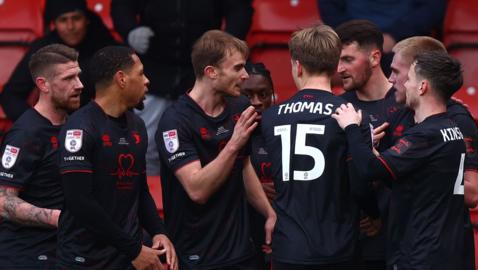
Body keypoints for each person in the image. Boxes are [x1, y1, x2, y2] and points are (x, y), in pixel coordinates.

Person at [333, 51, 466, 269]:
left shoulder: (425, 135)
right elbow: (412, 180)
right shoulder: (452, 129)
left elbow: (370, 169)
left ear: (422, 87)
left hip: (420, 253)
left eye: (409, 79)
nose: (403, 84)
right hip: (443, 248)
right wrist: (376, 155)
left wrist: (351, 127)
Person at [261, 24, 378, 270]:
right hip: (339, 247)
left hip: (289, 247)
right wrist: (374, 214)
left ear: (298, 65)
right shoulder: (352, 115)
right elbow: (361, 182)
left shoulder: (271, 117)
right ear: (336, 65)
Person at [156, 30, 276, 269]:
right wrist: (234, 143)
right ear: (211, 72)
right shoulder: (175, 121)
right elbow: (198, 190)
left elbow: (243, 166)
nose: (244, 75)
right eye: (237, 68)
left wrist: (269, 212)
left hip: (241, 250)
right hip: (196, 252)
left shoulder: (239, 106)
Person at [57, 46, 177, 270]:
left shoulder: (137, 126)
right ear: (121, 79)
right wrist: (134, 249)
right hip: (85, 261)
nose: (147, 81)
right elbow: (80, 202)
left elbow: (139, 190)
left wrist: (159, 231)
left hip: (125, 258)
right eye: (141, 73)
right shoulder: (80, 128)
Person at [111, 0, 254, 175]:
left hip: (202, 75)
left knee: (208, 146)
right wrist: (129, 30)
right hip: (154, 75)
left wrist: (227, 46)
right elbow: (122, 5)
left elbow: (239, 9)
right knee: (146, 150)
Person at [387, 35, 478, 270]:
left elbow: (471, 193)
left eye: (399, 73)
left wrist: (416, 170)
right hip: (405, 244)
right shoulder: (403, 113)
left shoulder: (458, 120)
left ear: (421, 76)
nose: (392, 80)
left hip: (439, 251)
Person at [0, 44, 82, 269]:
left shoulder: (77, 126)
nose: (79, 85)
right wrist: (58, 218)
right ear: (43, 85)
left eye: (78, 76)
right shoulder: (25, 134)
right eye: (68, 79)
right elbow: (3, 201)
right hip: (27, 254)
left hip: (66, 249)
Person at [335, 19, 401, 270]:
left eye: (348, 60)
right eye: (338, 60)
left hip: (398, 239)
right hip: (349, 243)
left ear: (375, 58)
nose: (339, 68)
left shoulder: (408, 104)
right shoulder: (338, 108)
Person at [0, 0, 118, 122]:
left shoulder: (105, 47)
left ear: (86, 20)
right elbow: (10, 96)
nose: (70, 26)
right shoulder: (43, 50)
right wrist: (38, 123)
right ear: (54, 24)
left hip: (98, 127)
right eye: (63, 20)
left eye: (76, 18)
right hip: (54, 129)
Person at [317, 0, 447, 73]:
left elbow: (432, 8)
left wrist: (395, 35)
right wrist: (356, 37)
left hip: (405, 42)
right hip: (352, 40)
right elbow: (329, 8)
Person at [241, 62, 276, 269]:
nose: (256, 102)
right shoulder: (226, 135)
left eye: (263, 94)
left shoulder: (284, 132)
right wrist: (252, 188)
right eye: (248, 96)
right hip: (242, 227)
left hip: (281, 223)